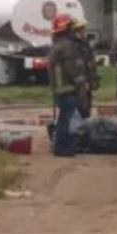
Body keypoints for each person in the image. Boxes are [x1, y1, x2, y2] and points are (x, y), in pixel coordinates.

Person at [47, 14, 87, 157]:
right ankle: (62, 147)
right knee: (66, 119)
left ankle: (62, 146)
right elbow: (73, 69)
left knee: (64, 117)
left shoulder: (57, 45)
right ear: (66, 29)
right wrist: (81, 83)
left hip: (60, 89)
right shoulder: (67, 46)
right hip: (68, 88)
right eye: (71, 26)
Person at [71, 18, 99, 120]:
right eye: (80, 29)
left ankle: (85, 126)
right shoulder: (72, 44)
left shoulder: (85, 43)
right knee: (80, 107)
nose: (83, 31)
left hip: (88, 80)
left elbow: (90, 61)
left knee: (87, 107)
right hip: (78, 82)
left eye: (83, 28)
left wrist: (93, 79)